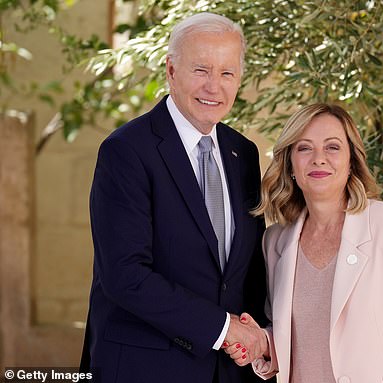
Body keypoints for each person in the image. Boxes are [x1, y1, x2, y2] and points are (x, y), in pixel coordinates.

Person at [80, 12, 270, 383]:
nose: (214, 87)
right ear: (170, 70)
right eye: (201, 70)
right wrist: (223, 329)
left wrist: (259, 337)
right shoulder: (126, 151)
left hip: (229, 371)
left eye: (227, 73)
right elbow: (125, 275)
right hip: (144, 368)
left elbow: (248, 272)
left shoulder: (242, 153)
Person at [224, 103, 383, 382]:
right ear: (290, 163)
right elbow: (298, 337)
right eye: (304, 148)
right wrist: (263, 343)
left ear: (351, 160)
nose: (319, 158)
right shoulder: (275, 242)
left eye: (332, 147)